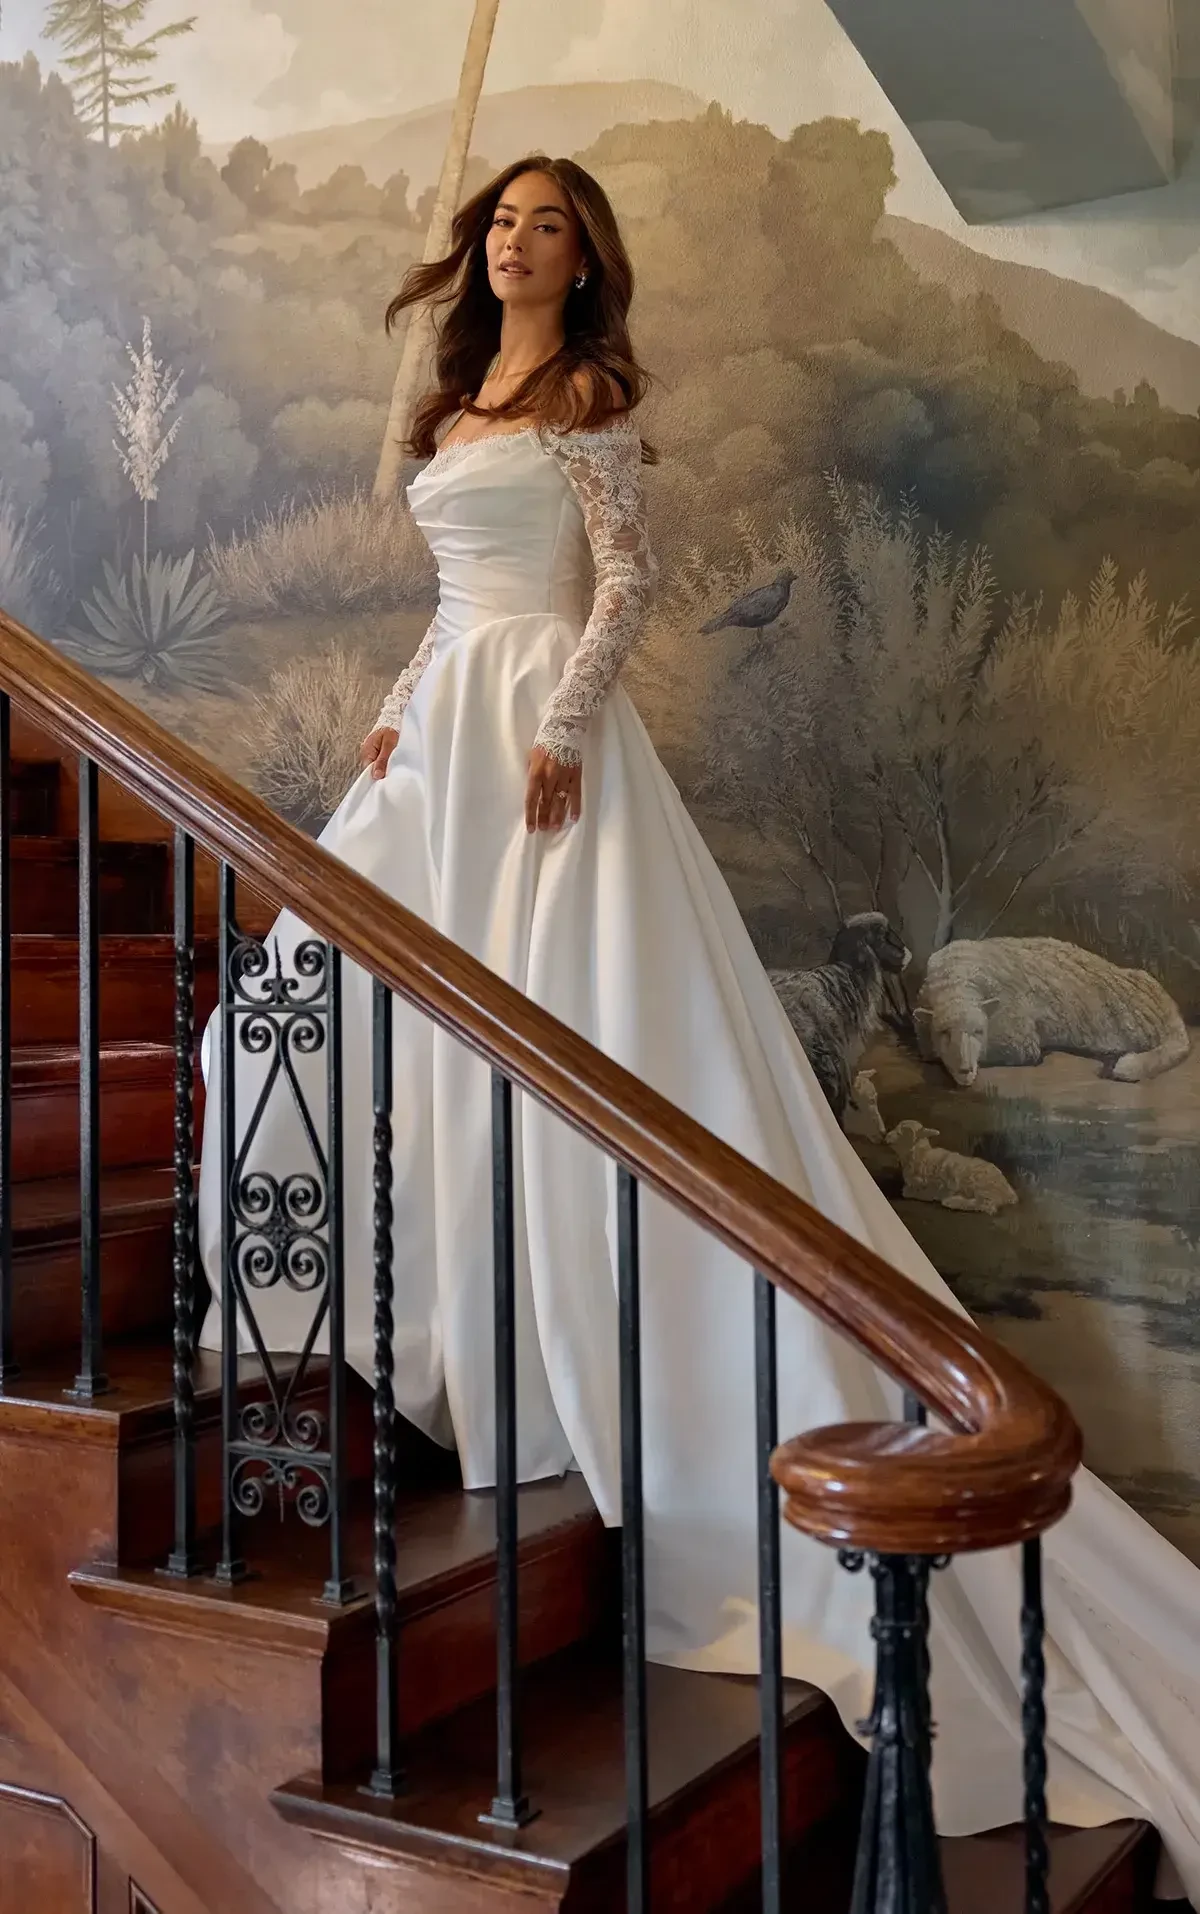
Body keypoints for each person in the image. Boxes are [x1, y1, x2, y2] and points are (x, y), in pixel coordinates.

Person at [198, 153, 1200, 1899]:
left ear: (585, 257)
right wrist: (395, 714)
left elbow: (625, 583)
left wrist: (566, 724)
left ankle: (569, 1338)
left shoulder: (591, 397)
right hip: (445, 729)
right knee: (293, 1001)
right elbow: (449, 602)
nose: (515, 240)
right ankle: (401, 1300)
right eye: (500, 220)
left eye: (547, 224)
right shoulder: (458, 396)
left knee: (561, 1040)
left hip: (544, 735)